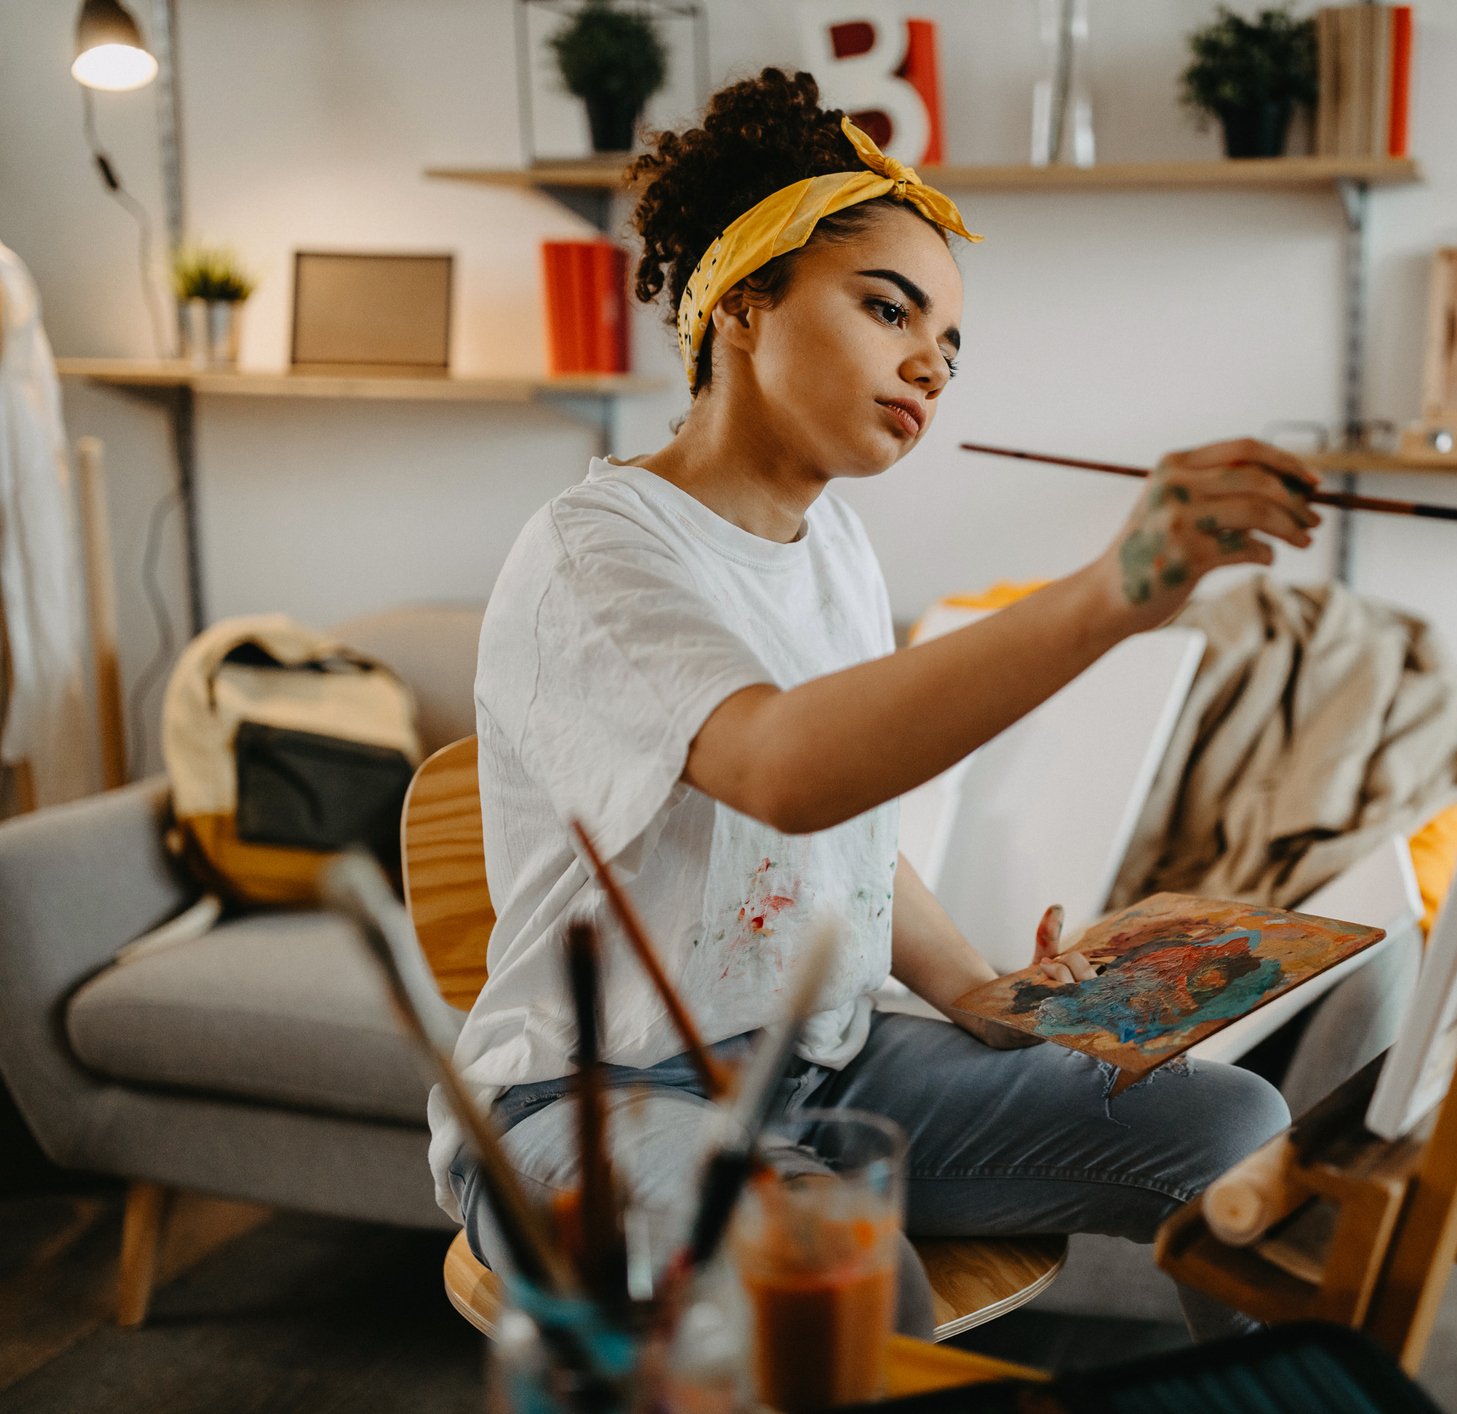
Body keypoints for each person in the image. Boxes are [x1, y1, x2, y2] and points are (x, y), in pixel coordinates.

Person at [433, 68, 1322, 1340]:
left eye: (951, 344)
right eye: (889, 309)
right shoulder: (598, 551)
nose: (930, 364)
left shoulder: (837, 548)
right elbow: (787, 770)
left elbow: (838, 842)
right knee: (845, 1280)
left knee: (1237, 1134)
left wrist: (979, 989)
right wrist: (1114, 593)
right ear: (743, 303)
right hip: (594, 1099)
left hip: (827, 1060)